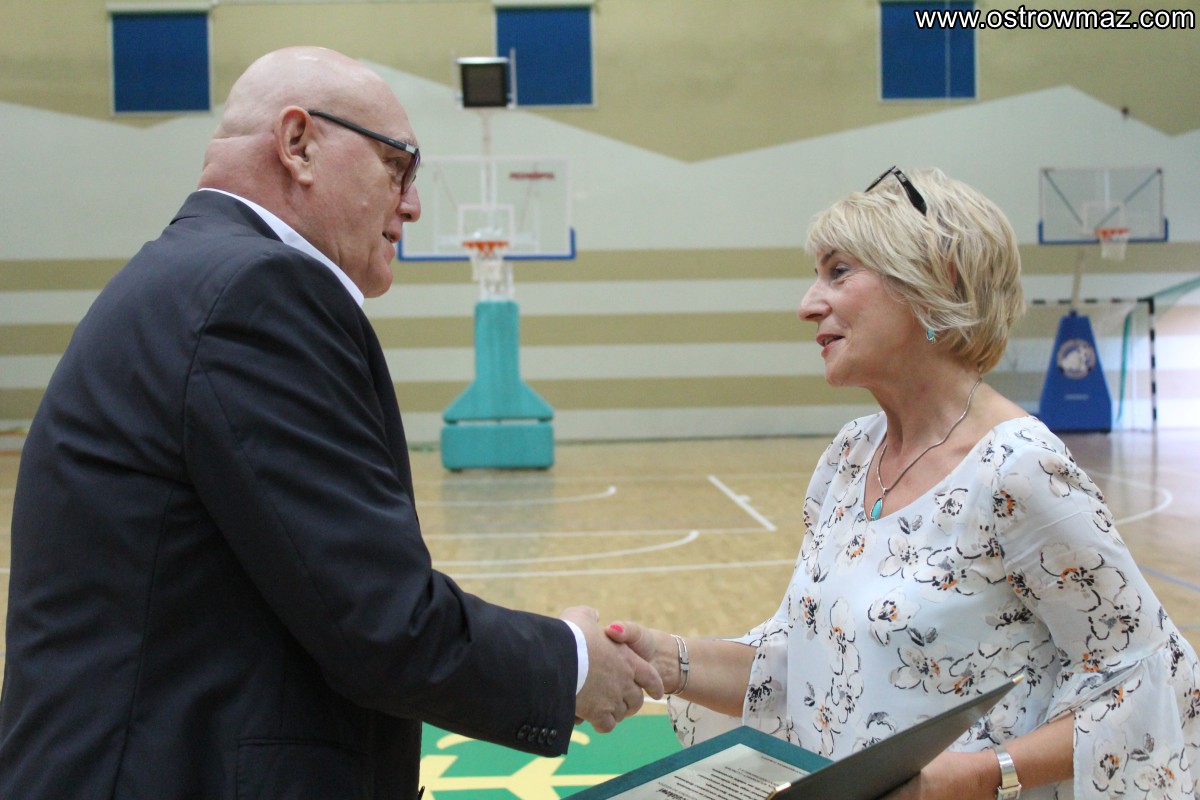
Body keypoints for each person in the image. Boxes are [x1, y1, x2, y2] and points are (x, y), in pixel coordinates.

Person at [0, 46, 661, 798]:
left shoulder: (192, 276)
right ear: (298, 144)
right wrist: (571, 662)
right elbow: (381, 624)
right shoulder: (256, 292)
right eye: (397, 166)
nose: (412, 204)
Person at [607, 168, 1200, 799]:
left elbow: (1149, 680)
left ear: (935, 281)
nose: (807, 304)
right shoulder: (849, 457)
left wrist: (984, 773)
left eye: (839, 272)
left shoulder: (1017, 470)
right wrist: (667, 660)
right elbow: (808, 666)